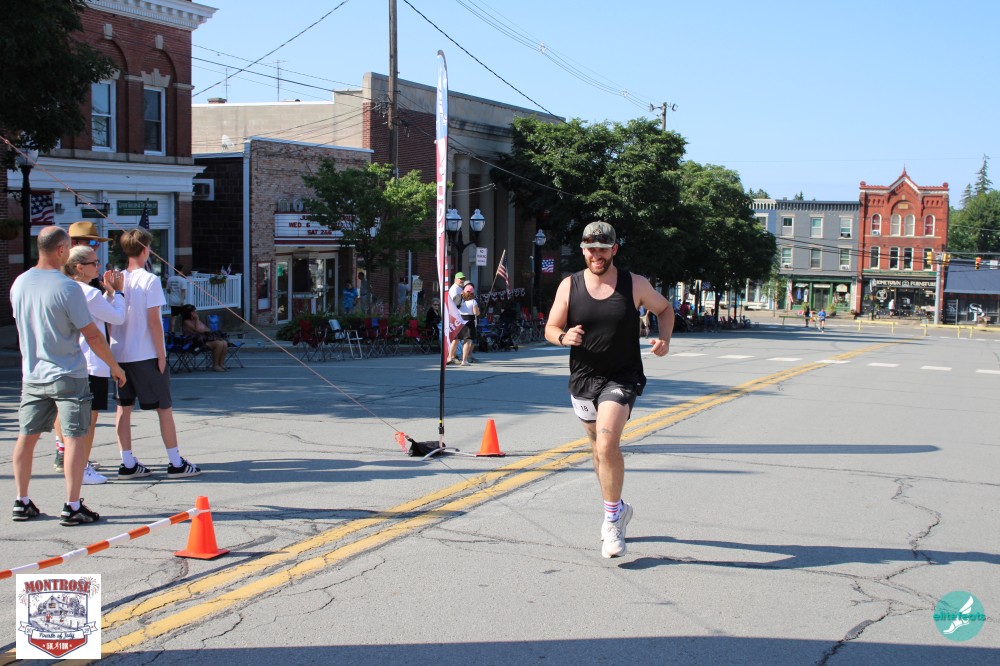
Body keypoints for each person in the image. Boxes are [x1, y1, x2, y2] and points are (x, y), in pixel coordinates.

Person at [545, 222, 674, 558]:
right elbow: (551, 327)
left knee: (607, 443)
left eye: (603, 249)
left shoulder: (635, 284)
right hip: (583, 378)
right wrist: (564, 337)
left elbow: (665, 309)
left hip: (622, 376)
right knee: (597, 448)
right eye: (591, 249)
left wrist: (664, 339)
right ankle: (618, 507)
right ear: (583, 250)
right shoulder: (570, 285)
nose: (597, 255)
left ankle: (612, 521)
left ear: (614, 249)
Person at [10, 226, 126, 526]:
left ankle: (22, 500)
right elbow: (93, 335)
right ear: (62, 250)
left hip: (32, 373)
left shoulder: (19, 283)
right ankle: (72, 505)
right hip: (67, 373)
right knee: (75, 437)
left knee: (27, 436)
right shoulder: (68, 288)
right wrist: (114, 366)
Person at [110, 228, 200, 479]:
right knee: (164, 408)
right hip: (145, 353)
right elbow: (154, 321)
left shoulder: (116, 279)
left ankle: (127, 462)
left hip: (119, 353)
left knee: (123, 408)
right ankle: (175, 462)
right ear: (145, 250)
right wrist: (162, 355)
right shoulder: (149, 280)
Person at [62, 245, 127, 485]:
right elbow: (117, 317)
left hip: (72, 361)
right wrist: (118, 293)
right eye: (94, 263)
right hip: (91, 362)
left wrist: (108, 295)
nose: (98, 267)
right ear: (79, 267)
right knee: (89, 421)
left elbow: (101, 314)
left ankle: (75, 464)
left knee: (75, 421)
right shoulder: (89, 293)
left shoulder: (68, 289)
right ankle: (82, 467)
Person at [53, 222, 114, 472]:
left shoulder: (68, 281)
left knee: (69, 409)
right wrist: (114, 295)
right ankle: (76, 462)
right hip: (81, 357)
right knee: (84, 414)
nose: (95, 247)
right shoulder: (71, 283)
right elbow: (100, 328)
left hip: (66, 356)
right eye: (91, 242)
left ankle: (66, 454)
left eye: (96, 243)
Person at [179, 304, 228, 372]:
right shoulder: (186, 322)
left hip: (203, 340)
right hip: (194, 343)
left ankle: (221, 364)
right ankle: (215, 365)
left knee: (224, 343)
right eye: (193, 312)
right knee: (219, 344)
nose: (195, 313)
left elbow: (208, 329)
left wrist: (200, 327)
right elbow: (198, 330)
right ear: (188, 313)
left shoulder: (197, 321)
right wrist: (197, 319)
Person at [446, 272, 468, 364]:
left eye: (463, 279)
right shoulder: (455, 289)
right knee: (456, 338)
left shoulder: (459, 288)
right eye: (460, 279)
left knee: (457, 338)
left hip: (457, 316)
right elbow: (456, 304)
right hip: (455, 316)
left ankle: (453, 356)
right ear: (455, 279)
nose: (462, 280)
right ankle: (450, 357)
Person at [457, 283, 480, 366]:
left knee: (457, 340)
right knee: (467, 341)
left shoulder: (460, 301)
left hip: (460, 321)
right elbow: (476, 313)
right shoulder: (473, 301)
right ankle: (464, 360)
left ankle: (453, 356)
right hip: (469, 322)